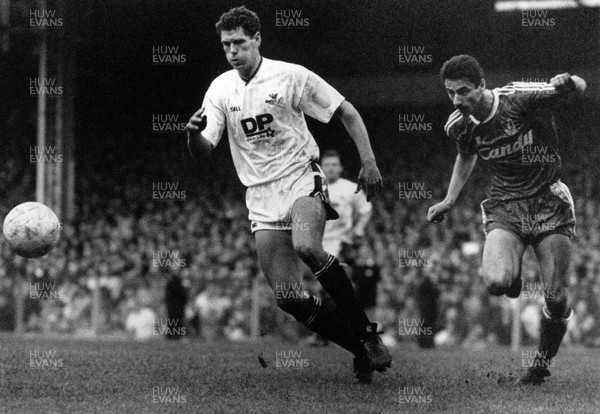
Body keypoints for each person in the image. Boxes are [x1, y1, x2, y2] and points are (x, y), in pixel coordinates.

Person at [185, 6, 391, 383]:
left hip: (300, 178)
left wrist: (369, 160)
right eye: (226, 45)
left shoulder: (290, 75)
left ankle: (367, 332)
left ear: (257, 39)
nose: (232, 51)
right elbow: (204, 148)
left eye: (239, 43)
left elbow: (347, 112)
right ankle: (359, 348)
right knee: (287, 297)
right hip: (261, 196)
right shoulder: (220, 89)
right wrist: (191, 134)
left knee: (307, 247)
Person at [427, 54, 586, 384]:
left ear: (482, 86)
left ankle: (540, 364)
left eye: (464, 91)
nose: (457, 100)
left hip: (548, 202)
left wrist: (566, 80)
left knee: (555, 297)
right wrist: (449, 199)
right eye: (450, 93)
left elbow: (578, 88)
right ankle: (511, 275)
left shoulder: (519, 98)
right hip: (506, 207)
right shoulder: (459, 125)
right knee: (496, 282)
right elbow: (466, 154)